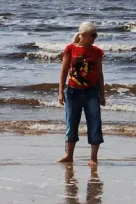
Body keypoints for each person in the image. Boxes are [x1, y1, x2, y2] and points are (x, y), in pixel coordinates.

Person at [57, 22, 106, 165]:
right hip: (73, 93)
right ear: (83, 35)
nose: (95, 38)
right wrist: (60, 92)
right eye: (93, 35)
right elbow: (64, 72)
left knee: (95, 124)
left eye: (96, 35)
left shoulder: (96, 52)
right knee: (71, 125)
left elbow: (100, 75)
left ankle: (93, 158)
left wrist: (102, 94)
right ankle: (69, 155)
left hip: (92, 93)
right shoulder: (70, 49)